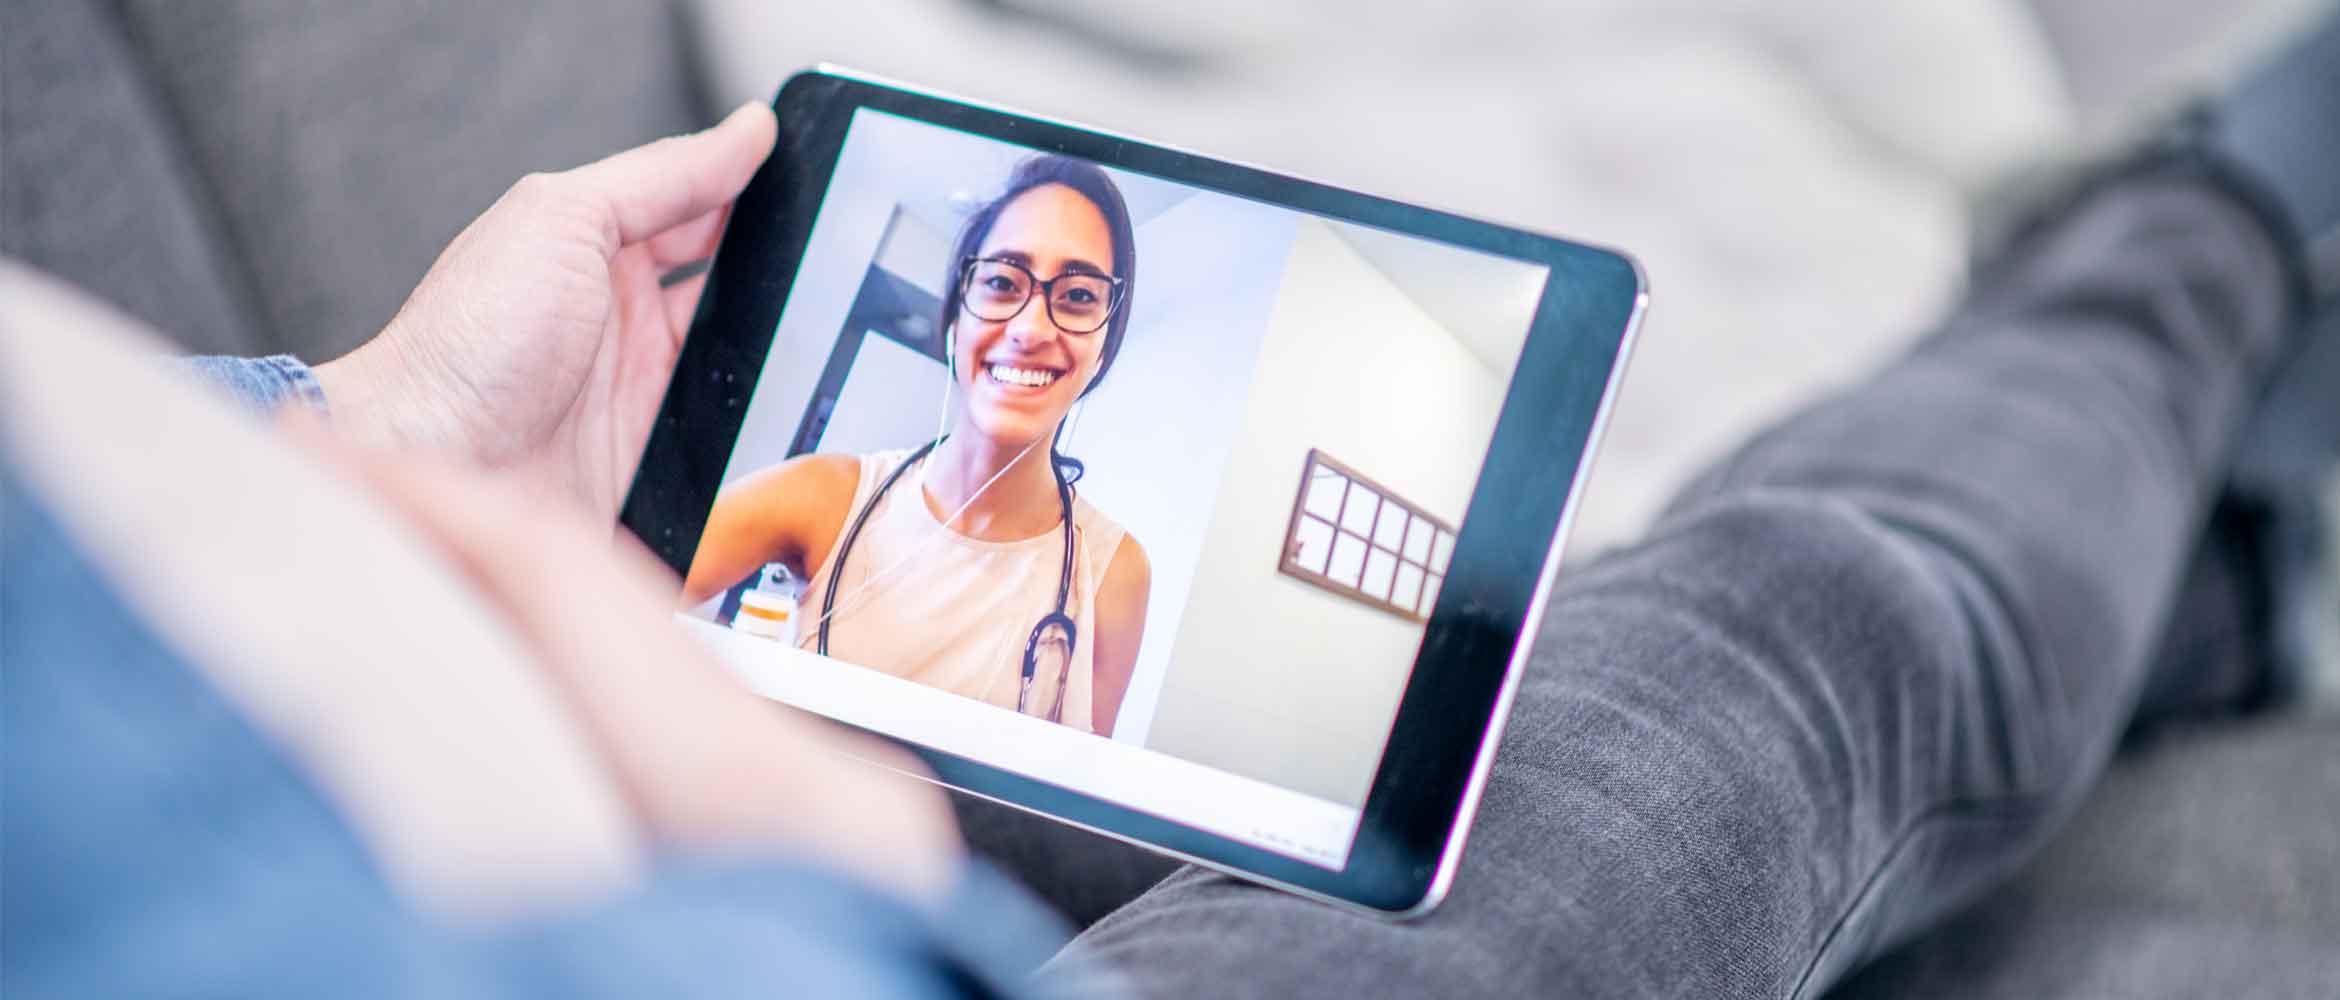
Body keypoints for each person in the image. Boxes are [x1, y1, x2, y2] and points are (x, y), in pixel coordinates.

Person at [4, 15, 2335, 999]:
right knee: (1784, 639)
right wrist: (812, 870)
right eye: (998, 277)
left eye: (1066, 292)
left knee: (1578, 680)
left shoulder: (1114, 553)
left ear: (1099, 342)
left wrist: (363, 434)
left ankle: (2193, 509)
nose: (1022, 316)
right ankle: (2187, 268)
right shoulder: (808, 482)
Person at [682, 156, 1153, 737]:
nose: (1031, 329)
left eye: (1079, 296)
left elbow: (1065, 808)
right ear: (956, 320)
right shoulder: (820, 496)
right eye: (1003, 283)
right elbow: (610, 587)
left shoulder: (1113, 574)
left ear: (1104, 346)